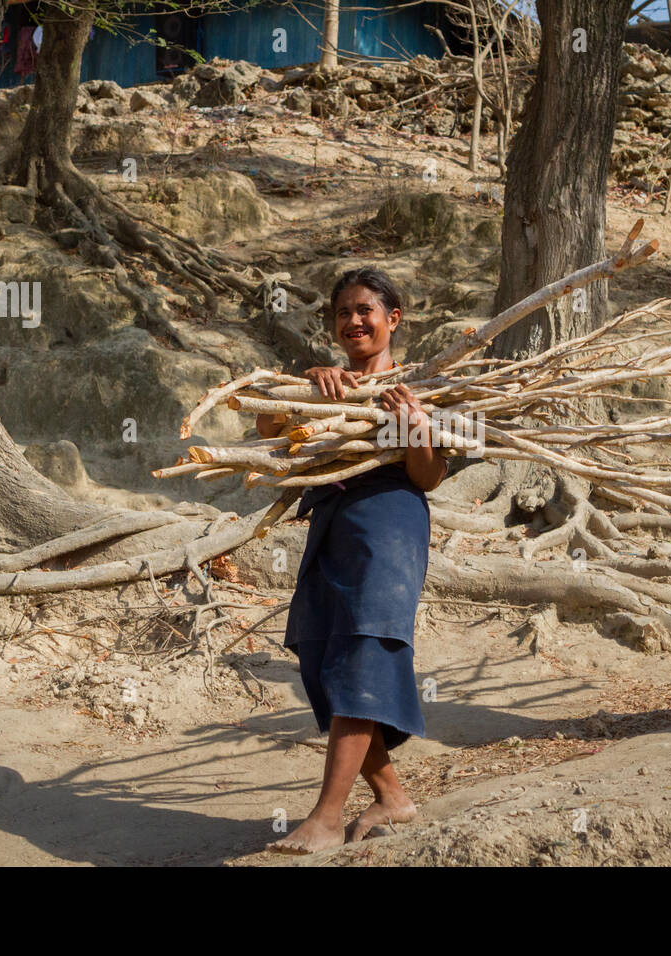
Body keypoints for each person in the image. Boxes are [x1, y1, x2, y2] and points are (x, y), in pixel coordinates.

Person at [261, 267, 447, 853]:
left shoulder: (419, 387)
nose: (354, 321)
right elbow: (267, 426)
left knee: (364, 654)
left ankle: (326, 815)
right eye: (343, 313)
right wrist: (307, 388)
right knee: (323, 653)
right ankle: (392, 796)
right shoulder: (328, 386)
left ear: (393, 319)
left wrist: (415, 426)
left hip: (390, 525)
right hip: (332, 525)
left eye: (366, 310)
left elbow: (430, 477)